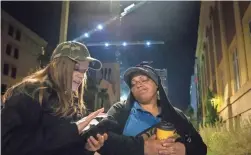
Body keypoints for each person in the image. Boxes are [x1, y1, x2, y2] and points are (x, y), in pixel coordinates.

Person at [1, 41, 108, 155]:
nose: (81, 75)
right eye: (76, 68)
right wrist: (71, 130)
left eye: (84, 71)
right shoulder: (29, 92)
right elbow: (7, 146)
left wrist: (87, 148)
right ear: (58, 65)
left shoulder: (72, 101)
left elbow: (64, 146)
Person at [97, 62, 207, 155]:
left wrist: (184, 149)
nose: (138, 85)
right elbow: (102, 140)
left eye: (144, 80)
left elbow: (201, 148)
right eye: (133, 84)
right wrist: (142, 147)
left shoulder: (176, 115)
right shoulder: (120, 111)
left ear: (157, 85)